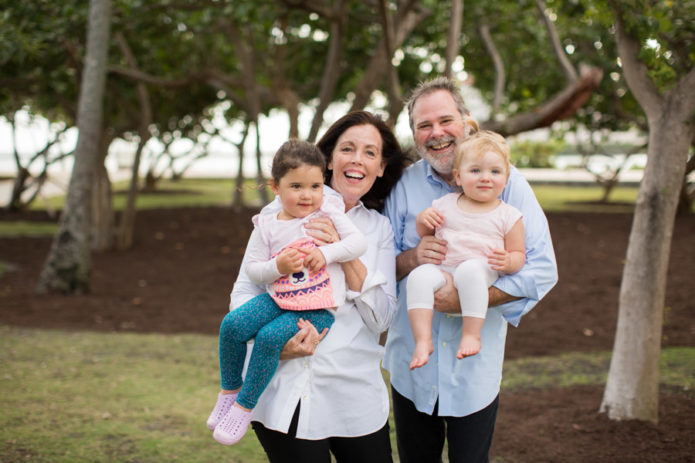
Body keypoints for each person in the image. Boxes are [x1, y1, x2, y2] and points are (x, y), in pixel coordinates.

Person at [383, 77, 558, 463]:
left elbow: (543, 269)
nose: (437, 133)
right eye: (424, 126)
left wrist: (464, 300)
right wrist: (412, 258)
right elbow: (379, 267)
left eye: (445, 120)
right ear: (414, 134)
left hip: (475, 368)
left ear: (466, 122)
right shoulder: (405, 187)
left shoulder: (508, 184)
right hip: (411, 364)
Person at [230, 111, 407, 462]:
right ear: (328, 159)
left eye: (370, 153)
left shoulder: (378, 230)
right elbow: (244, 292)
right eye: (348, 148)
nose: (358, 160)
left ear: (381, 168)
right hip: (283, 393)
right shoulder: (277, 213)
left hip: (353, 397)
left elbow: (382, 320)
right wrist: (271, 343)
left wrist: (341, 252)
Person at [207, 139, 367, 445]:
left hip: (317, 309)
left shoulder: (329, 213)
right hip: (278, 298)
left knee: (268, 338)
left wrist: (330, 253)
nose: (307, 195)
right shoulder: (267, 225)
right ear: (276, 187)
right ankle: (229, 393)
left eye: (315, 186)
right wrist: (278, 265)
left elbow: (358, 243)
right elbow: (253, 269)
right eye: (296, 186)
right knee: (232, 325)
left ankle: (244, 407)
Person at [407, 130, 526, 370]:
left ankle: (472, 334)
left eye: (495, 171)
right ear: (458, 177)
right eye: (475, 171)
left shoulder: (508, 215)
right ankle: (423, 340)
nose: (485, 178)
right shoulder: (445, 204)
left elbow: (519, 255)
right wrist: (423, 219)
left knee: (469, 271)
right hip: (444, 268)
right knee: (418, 277)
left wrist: (508, 261)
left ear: (506, 177)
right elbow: (426, 235)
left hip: (482, 269)